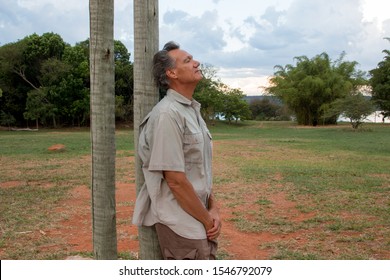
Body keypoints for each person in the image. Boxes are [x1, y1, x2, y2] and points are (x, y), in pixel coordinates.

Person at [132, 41, 221, 260]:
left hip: (199, 219)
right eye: (188, 60)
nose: (197, 62)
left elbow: (199, 170)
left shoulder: (191, 110)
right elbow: (174, 180)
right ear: (171, 72)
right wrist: (207, 219)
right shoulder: (168, 115)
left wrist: (214, 208)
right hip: (182, 224)